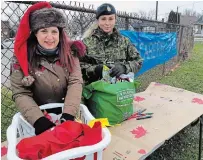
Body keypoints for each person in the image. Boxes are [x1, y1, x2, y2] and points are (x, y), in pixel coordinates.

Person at [10, 2, 86, 135]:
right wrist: (38, 120)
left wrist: (68, 115)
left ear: (60, 33)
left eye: (54, 31)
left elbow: (75, 82)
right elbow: (20, 92)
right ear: (35, 33)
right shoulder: (21, 58)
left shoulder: (71, 53)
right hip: (38, 114)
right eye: (44, 31)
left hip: (68, 109)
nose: (50, 37)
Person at [80, 3, 143, 85]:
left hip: (119, 91)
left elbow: (138, 61)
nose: (107, 23)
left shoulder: (124, 41)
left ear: (115, 20)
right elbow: (77, 67)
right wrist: (95, 69)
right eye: (103, 19)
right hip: (95, 92)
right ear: (98, 21)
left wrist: (124, 67)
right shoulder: (86, 42)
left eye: (110, 19)